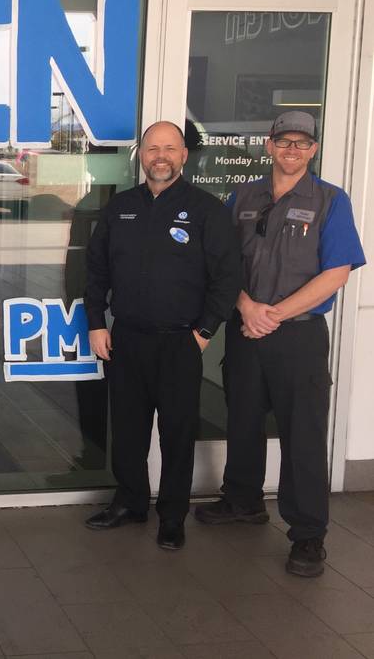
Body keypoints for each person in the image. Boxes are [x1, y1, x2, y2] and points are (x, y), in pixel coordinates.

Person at [195, 110, 365, 578]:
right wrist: (247, 307)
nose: (292, 150)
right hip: (247, 328)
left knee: (303, 434)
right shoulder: (242, 197)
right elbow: (220, 262)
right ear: (268, 145)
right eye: (284, 141)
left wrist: (273, 315)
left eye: (302, 143)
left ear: (313, 150)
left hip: (299, 336)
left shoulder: (331, 200)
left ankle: (308, 534)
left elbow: (337, 272)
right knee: (243, 419)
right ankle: (243, 500)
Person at [83, 121, 242, 550]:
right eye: (153, 148)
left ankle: (172, 516)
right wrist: (97, 322)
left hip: (181, 343)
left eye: (170, 148)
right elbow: (95, 270)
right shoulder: (120, 208)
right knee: (129, 430)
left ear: (183, 155)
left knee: (177, 433)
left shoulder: (207, 210)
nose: (161, 156)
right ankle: (131, 502)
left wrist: (204, 332)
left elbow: (227, 278)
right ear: (142, 154)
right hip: (127, 339)